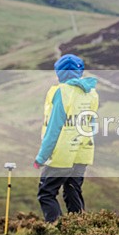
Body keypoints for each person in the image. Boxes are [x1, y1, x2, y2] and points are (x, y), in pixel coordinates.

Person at [33, 54, 99, 223]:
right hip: (82, 151)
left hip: (62, 153)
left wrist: (41, 157)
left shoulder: (60, 93)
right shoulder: (91, 93)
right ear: (80, 71)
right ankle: (80, 230)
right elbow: (92, 125)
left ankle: (57, 231)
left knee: (46, 193)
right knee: (72, 189)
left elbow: (53, 129)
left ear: (59, 73)